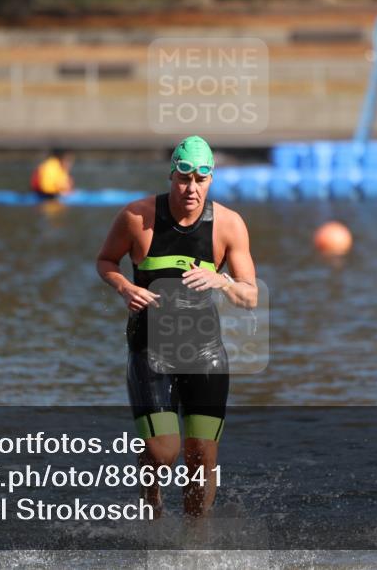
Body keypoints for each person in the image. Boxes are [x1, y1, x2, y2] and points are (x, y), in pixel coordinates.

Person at [96, 135, 258, 518]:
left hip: (205, 353)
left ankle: (194, 541)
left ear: (211, 180)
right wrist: (124, 287)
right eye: (184, 179)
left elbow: (250, 295)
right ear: (171, 176)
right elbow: (105, 261)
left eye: (200, 180)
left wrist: (222, 281)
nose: (191, 189)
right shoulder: (137, 217)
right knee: (163, 451)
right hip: (149, 350)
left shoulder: (229, 225)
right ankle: (151, 507)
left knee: (201, 458)